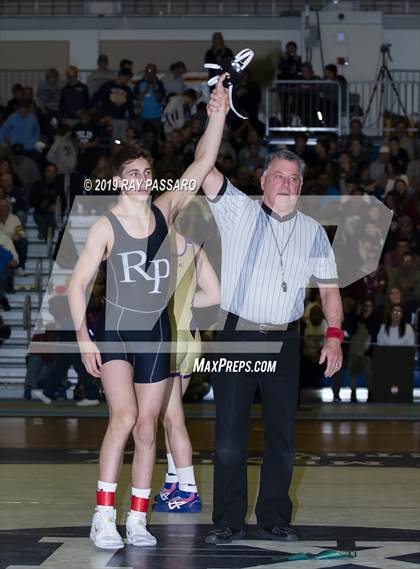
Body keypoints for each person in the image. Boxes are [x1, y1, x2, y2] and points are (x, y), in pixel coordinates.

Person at [67, 76, 228, 549]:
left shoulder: (165, 211)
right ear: (118, 180)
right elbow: (77, 286)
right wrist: (82, 337)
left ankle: (136, 519)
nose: (140, 178)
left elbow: (203, 163)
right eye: (131, 172)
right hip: (116, 332)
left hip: (157, 332)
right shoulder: (105, 225)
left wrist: (216, 111)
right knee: (122, 418)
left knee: (147, 426)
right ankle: (103, 515)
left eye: (145, 171)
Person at [196, 128, 343, 543]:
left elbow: (330, 289)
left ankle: (274, 518)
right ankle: (226, 520)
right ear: (263, 180)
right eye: (279, 176)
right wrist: (219, 113)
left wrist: (333, 335)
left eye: (294, 178)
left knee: (282, 438)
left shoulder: (314, 231)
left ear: (302, 185)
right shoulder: (237, 210)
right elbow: (204, 165)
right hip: (238, 335)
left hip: (284, 342)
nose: (287, 184)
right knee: (228, 436)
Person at [152, 231, 220, 513]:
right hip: (190, 339)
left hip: (167, 342)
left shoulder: (148, 245)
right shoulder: (193, 247)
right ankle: (173, 481)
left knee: (172, 418)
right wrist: (187, 301)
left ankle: (189, 490)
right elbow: (216, 294)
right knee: (169, 418)